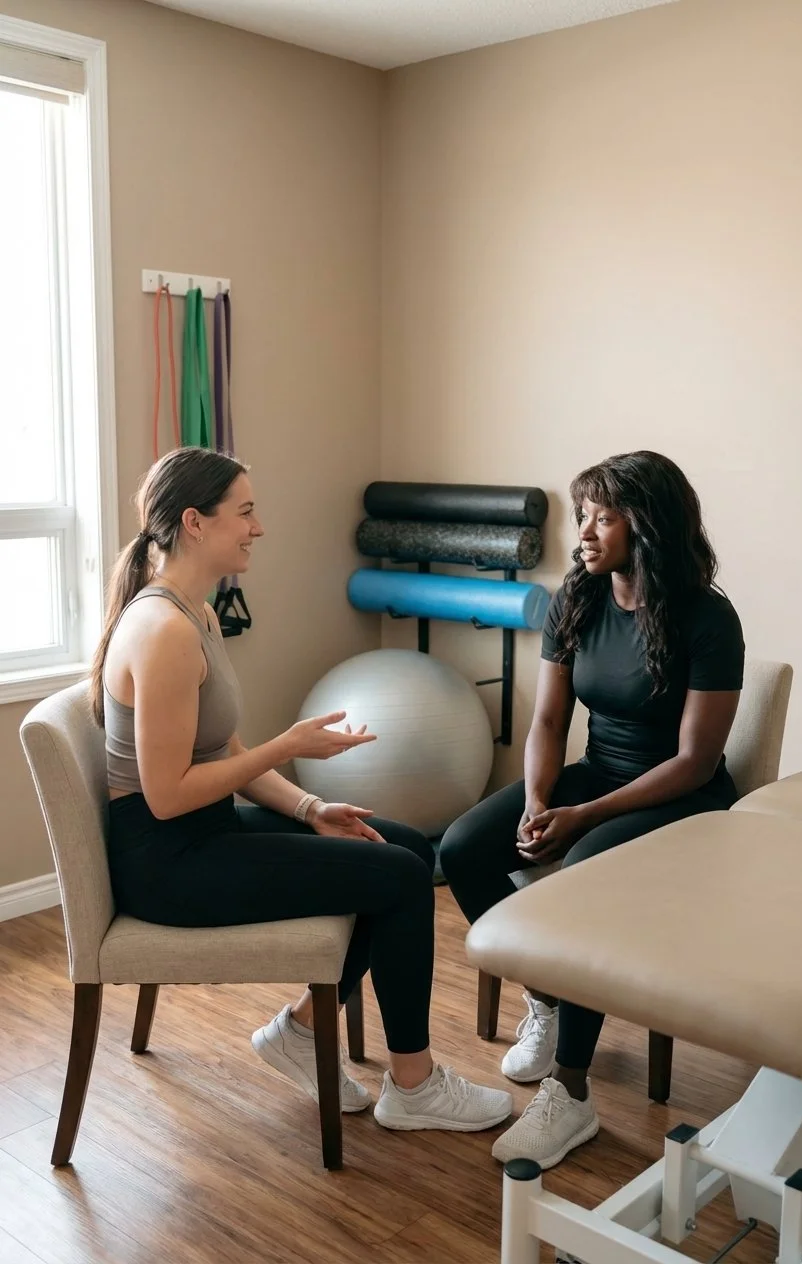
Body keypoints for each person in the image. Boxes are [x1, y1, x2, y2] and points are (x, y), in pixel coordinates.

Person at [92, 446, 512, 1134]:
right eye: (246, 512)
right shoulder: (162, 630)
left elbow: (223, 752)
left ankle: (301, 1030)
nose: (258, 528)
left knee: (397, 843)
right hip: (169, 865)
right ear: (195, 523)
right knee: (404, 879)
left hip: (206, 833)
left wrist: (313, 807)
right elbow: (166, 796)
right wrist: (288, 746)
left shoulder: (193, 612)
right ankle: (414, 1084)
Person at [440, 450, 744, 1170]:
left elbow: (695, 761)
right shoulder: (579, 595)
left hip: (681, 801)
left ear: (648, 527)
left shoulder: (707, 618)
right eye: (584, 515)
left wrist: (584, 818)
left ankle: (570, 1091)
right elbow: (546, 722)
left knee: (579, 876)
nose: (584, 532)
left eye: (603, 518)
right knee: (461, 848)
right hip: (596, 777)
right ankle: (546, 997)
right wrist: (542, 800)